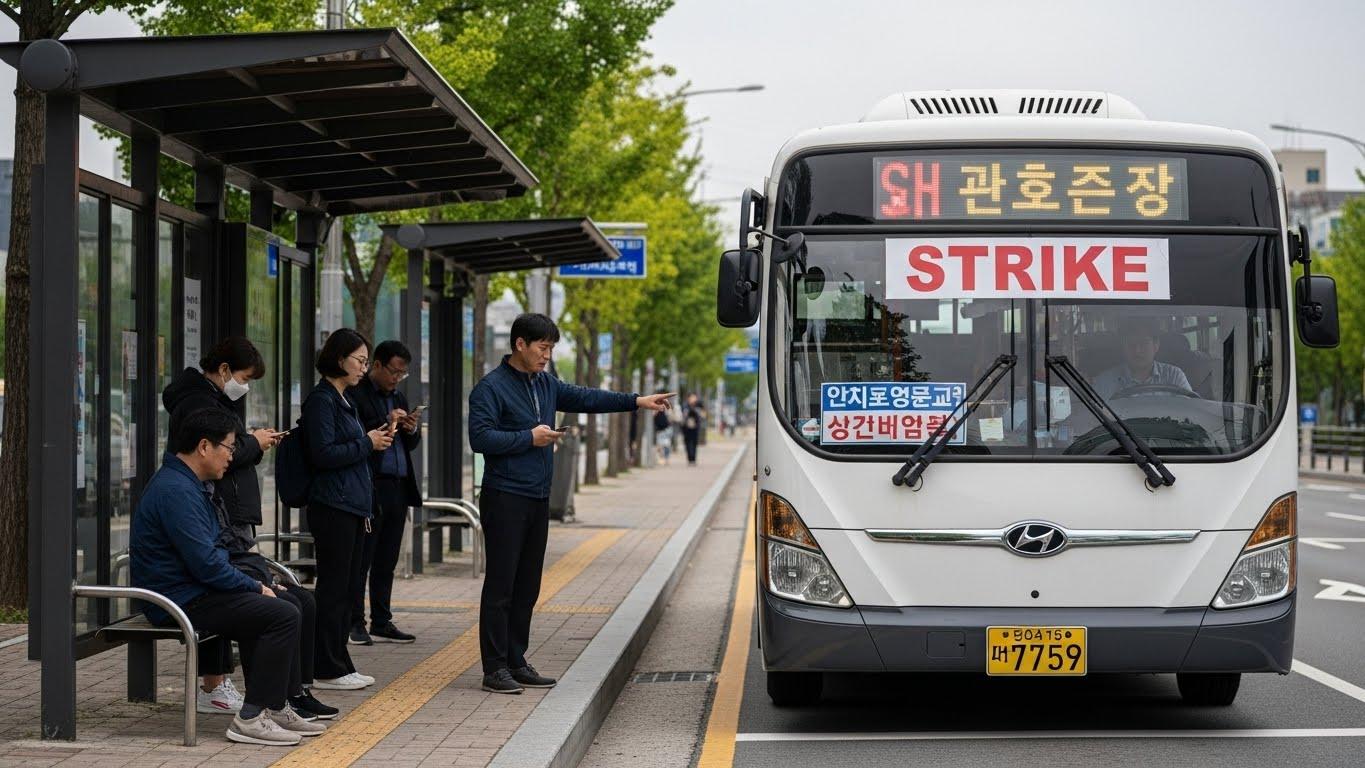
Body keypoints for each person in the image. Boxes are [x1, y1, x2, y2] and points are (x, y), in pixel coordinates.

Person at [468, 313, 674, 694]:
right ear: (520, 344)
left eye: (550, 348)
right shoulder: (490, 388)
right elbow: (480, 439)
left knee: (528, 584)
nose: (547, 355)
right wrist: (528, 438)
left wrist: (637, 401)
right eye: (542, 348)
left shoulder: (545, 384)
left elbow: (586, 397)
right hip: (505, 496)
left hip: (537, 496)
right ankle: (494, 667)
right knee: (501, 585)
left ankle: (516, 659)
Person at [130, 408, 325, 746]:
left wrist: (256, 582)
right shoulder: (176, 491)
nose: (232, 456)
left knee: (288, 600)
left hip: (196, 588)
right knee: (280, 614)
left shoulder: (191, 483)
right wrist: (252, 585)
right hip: (178, 598)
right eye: (230, 447)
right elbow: (205, 563)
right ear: (204, 446)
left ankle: (275, 705)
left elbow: (215, 551)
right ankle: (250, 717)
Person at [162, 336, 287, 716]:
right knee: (262, 600)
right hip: (222, 512)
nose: (244, 386)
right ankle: (217, 686)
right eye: (244, 377)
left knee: (280, 599)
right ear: (223, 370)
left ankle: (256, 696)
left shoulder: (210, 398)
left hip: (227, 509)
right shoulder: (199, 402)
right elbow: (222, 454)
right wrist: (255, 442)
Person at [303, 328, 394, 691]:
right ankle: (326, 665)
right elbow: (323, 454)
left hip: (353, 505)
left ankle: (339, 660)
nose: (363, 367)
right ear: (339, 359)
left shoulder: (345, 400)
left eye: (365, 361)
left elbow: (352, 449)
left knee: (348, 586)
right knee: (334, 587)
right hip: (333, 505)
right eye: (358, 360)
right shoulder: (321, 401)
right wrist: (365, 442)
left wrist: (374, 441)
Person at [347, 340, 422, 646]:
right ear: (376, 365)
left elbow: (408, 445)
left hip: (399, 487)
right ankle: (354, 622)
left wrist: (410, 429)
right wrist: (388, 423)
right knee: (363, 557)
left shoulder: (398, 396)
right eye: (393, 371)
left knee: (387, 558)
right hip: (371, 485)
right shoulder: (357, 395)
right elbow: (362, 436)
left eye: (402, 374)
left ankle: (382, 619)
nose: (396, 378)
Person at [1093, 318, 1192, 400]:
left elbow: (1191, 411)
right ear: (1123, 347)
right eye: (1131, 344)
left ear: (1156, 345)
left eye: (1144, 343)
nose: (1137, 351)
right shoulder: (1104, 382)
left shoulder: (1174, 376)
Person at [680, 393, 705, 466]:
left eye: (694, 397)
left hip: (695, 427)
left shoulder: (699, 405)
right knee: (687, 443)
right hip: (686, 427)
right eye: (692, 397)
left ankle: (693, 459)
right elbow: (683, 415)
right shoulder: (685, 405)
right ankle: (689, 459)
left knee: (694, 443)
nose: (693, 399)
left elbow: (703, 414)